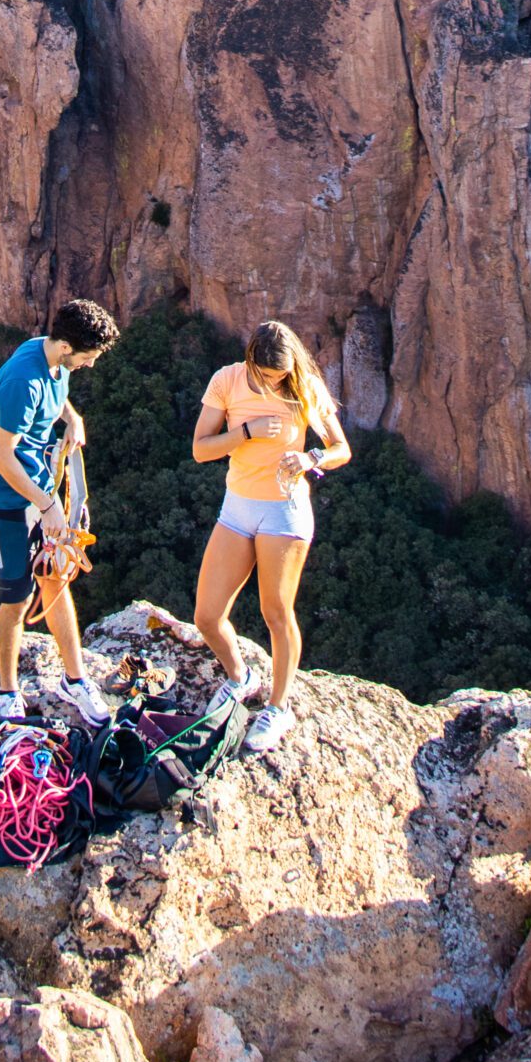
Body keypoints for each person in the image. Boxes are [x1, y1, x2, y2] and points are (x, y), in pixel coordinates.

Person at [191, 317, 351, 755]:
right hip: (238, 507)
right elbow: (201, 448)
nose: (270, 383)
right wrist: (245, 432)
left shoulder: (306, 388)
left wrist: (309, 457)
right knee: (207, 615)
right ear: (250, 362)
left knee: (276, 612)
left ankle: (279, 708)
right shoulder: (227, 380)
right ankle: (241, 677)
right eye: (264, 376)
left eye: (278, 377)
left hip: (285, 510)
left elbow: (341, 449)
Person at [0, 298, 121, 724]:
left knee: (54, 580)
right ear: (69, 346)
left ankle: (75, 680)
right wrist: (48, 503)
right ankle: (6, 693)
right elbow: (2, 456)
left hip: (38, 493)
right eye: (88, 357)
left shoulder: (49, 354)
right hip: (6, 501)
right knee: (16, 599)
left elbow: (55, 393)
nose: (90, 366)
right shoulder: (24, 380)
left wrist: (72, 418)